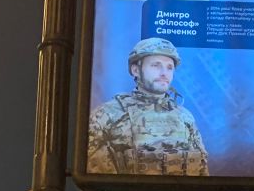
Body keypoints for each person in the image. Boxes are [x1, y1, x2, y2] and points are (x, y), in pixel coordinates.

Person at [88, 37, 210, 177]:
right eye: (156, 65)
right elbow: (96, 179)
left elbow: (202, 173)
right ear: (135, 70)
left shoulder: (185, 117)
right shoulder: (107, 115)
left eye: (169, 67)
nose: (164, 73)